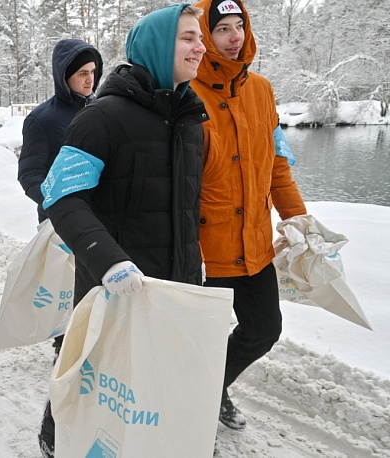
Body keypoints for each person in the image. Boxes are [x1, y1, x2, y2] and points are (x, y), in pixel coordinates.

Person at [38, 5, 208, 457]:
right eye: (188, 38)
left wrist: (195, 261)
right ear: (157, 45)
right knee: (93, 371)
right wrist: (107, 259)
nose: (201, 47)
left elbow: (187, 204)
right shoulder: (104, 117)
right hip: (112, 284)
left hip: (171, 285)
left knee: (151, 384)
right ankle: (56, 434)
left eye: (200, 37)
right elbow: (60, 194)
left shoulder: (193, 122)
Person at [190, 0, 308, 432]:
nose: (234, 36)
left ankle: (212, 387)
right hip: (205, 248)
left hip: (254, 243)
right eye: (222, 28)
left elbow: (277, 161)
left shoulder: (260, 89)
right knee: (195, 340)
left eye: (239, 25)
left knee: (263, 329)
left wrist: (296, 217)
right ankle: (188, 416)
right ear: (204, 35)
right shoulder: (186, 91)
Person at [18, 38, 103, 224]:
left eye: (93, 72)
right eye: (82, 73)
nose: (91, 79)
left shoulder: (103, 111)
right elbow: (29, 175)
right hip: (59, 223)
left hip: (101, 219)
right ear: (64, 76)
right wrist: (56, 204)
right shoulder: (42, 119)